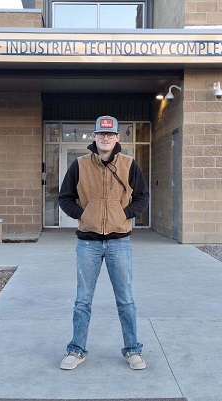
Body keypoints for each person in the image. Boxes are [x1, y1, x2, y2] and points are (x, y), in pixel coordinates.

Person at [58, 115, 149, 370]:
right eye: (101, 134)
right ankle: (76, 350)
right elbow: (65, 198)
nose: (105, 138)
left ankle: (133, 350)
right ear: (94, 137)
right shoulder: (79, 165)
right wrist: (84, 215)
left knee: (126, 299)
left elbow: (142, 197)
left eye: (110, 134)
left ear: (118, 138)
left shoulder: (130, 164)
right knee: (83, 300)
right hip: (88, 243)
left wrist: (124, 214)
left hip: (120, 242)